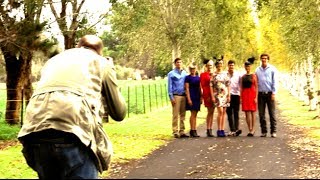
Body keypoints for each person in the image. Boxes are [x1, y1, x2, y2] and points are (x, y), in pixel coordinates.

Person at [17, 35, 127, 179]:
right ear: (100, 51)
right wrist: (110, 71)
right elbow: (119, 113)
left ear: (77, 46)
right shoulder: (101, 62)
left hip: (34, 131)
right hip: (74, 133)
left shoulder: (53, 61)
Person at [255, 53, 278, 138]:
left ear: (268, 59)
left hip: (269, 94)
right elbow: (256, 82)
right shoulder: (257, 70)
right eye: (262, 58)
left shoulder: (272, 69)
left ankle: (273, 131)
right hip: (260, 94)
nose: (264, 60)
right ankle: (263, 131)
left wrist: (274, 93)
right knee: (261, 114)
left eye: (265, 58)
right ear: (260, 59)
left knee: (272, 113)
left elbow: (275, 81)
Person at [168, 57, 189, 138]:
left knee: (183, 114)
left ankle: (182, 131)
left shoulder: (185, 73)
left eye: (180, 62)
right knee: (175, 114)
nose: (179, 64)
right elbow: (169, 86)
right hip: (176, 95)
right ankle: (175, 131)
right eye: (177, 62)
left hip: (183, 96)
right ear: (175, 64)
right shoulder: (171, 74)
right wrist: (171, 97)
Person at [210, 56, 230, 137]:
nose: (219, 65)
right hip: (217, 95)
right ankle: (218, 129)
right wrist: (212, 95)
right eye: (218, 64)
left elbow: (228, 84)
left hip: (225, 94)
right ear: (216, 65)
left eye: (221, 64)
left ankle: (222, 129)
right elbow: (211, 85)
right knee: (220, 112)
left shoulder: (225, 74)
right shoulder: (214, 75)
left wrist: (229, 95)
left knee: (224, 112)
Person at [240, 57, 258, 137]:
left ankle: (253, 129)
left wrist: (256, 97)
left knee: (253, 112)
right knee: (247, 112)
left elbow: (256, 86)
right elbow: (241, 87)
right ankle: (249, 129)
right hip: (245, 94)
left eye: (248, 66)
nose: (247, 67)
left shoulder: (254, 76)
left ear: (250, 67)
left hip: (252, 94)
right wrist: (241, 97)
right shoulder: (243, 76)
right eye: (246, 66)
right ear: (244, 67)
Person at [185, 63, 201, 137]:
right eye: (191, 69)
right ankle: (192, 129)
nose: (193, 70)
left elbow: (200, 88)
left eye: (194, 69)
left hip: (197, 96)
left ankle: (195, 129)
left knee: (195, 113)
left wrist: (201, 97)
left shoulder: (198, 77)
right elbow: (187, 88)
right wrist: (189, 99)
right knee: (192, 113)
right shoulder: (187, 78)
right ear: (189, 70)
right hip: (191, 96)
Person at [200, 58, 215, 137]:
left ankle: (210, 128)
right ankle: (208, 128)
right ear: (206, 66)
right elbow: (202, 85)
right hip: (207, 93)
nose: (210, 67)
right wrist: (203, 95)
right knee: (209, 111)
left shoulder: (213, 74)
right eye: (208, 65)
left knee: (212, 111)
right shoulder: (203, 74)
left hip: (214, 93)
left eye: (211, 66)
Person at [226, 60, 242, 137]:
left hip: (236, 95)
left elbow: (240, 85)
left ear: (234, 66)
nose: (231, 67)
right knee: (229, 113)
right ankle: (232, 129)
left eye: (232, 65)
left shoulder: (238, 75)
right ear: (228, 66)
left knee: (236, 112)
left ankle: (236, 129)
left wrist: (240, 95)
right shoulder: (225, 74)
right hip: (227, 95)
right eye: (230, 65)